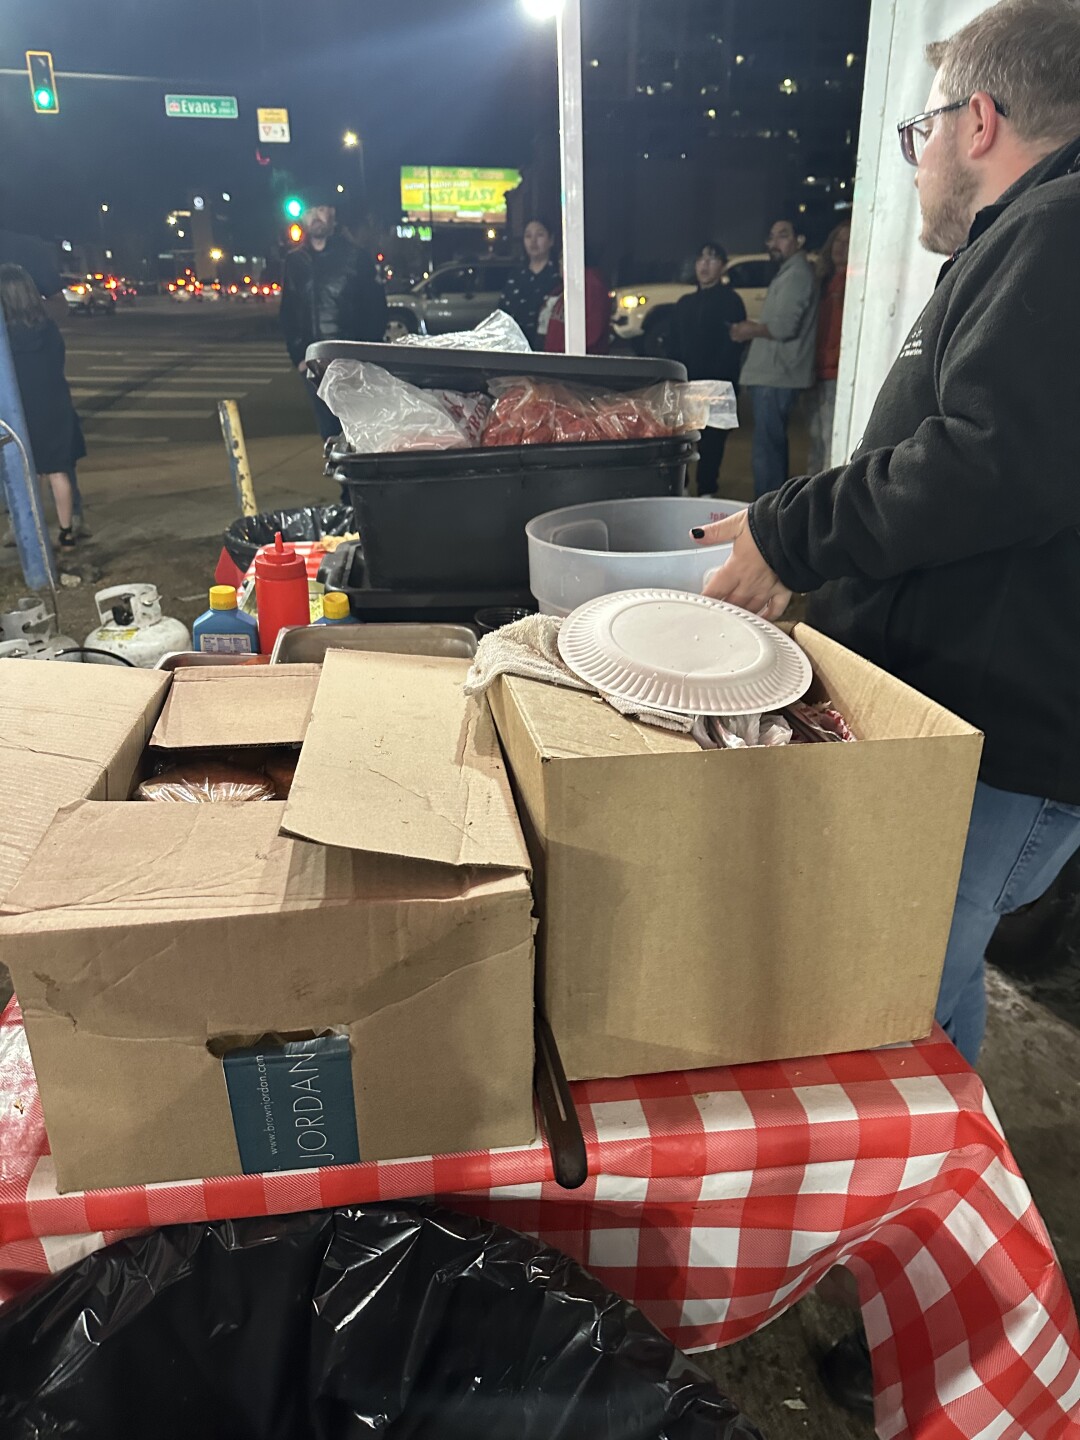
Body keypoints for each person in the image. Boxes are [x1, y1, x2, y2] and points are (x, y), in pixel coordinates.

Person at [692, 0, 1080, 1074]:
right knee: (919, 983)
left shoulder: (1061, 228)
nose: (918, 162)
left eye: (923, 132)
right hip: (973, 728)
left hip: (1004, 746)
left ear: (981, 121)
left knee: (895, 998)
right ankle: (923, 1212)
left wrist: (788, 533)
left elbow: (986, 466)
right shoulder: (1033, 238)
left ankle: (920, 1222)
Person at [280, 195, 387, 443]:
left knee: (357, 436)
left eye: (320, 208)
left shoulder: (355, 258)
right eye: (309, 211)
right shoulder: (295, 262)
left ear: (332, 214)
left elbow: (375, 311)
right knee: (329, 438)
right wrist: (299, 358)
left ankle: (355, 483)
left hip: (351, 364)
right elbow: (288, 313)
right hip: (314, 367)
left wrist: (364, 357)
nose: (315, 216)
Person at [730, 219, 818, 498]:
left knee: (768, 450)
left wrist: (748, 330)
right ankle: (772, 511)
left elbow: (782, 327)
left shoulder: (797, 274)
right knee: (770, 445)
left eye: (783, 236)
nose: (774, 243)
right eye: (771, 237)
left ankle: (767, 514)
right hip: (773, 374)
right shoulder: (790, 272)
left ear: (799, 240)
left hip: (776, 375)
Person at [0, 264, 84, 549]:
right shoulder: (47, 327)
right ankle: (66, 532)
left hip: (21, 410)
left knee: (30, 473)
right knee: (59, 470)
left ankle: (35, 532)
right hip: (55, 403)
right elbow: (58, 361)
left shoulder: (5, 336)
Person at [669, 243, 746, 495]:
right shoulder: (684, 302)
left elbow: (734, 346)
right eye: (700, 258)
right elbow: (674, 343)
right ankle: (683, 488)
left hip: (718, 385)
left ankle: (707, 490)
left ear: (722, 266)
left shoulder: (731, 301)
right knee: (683, 440)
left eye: (712, 259)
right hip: (687, 385)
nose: (704, 264)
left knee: (712, 444)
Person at [806, 223, 851, 474]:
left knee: (829, 438)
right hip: (815, 372)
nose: (841, 247)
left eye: (847, 241)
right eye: (837, 241)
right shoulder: (822, 282)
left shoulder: (854, 283)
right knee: (816, 439)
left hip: (835, 373)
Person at [502, 219, 560, 349]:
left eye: (539, 235)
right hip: (517, 348)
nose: (533, 241)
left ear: (551, 240)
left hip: (548, 349)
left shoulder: (558, 276)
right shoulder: (515, 276)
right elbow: (503, 312)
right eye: (528, 236)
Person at [541, 251, 611, 355]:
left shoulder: (591, 287)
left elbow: (592, 331)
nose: (560, 262)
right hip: (558, 361)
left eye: (564, 257)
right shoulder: (565, 288)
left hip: (576, 364)